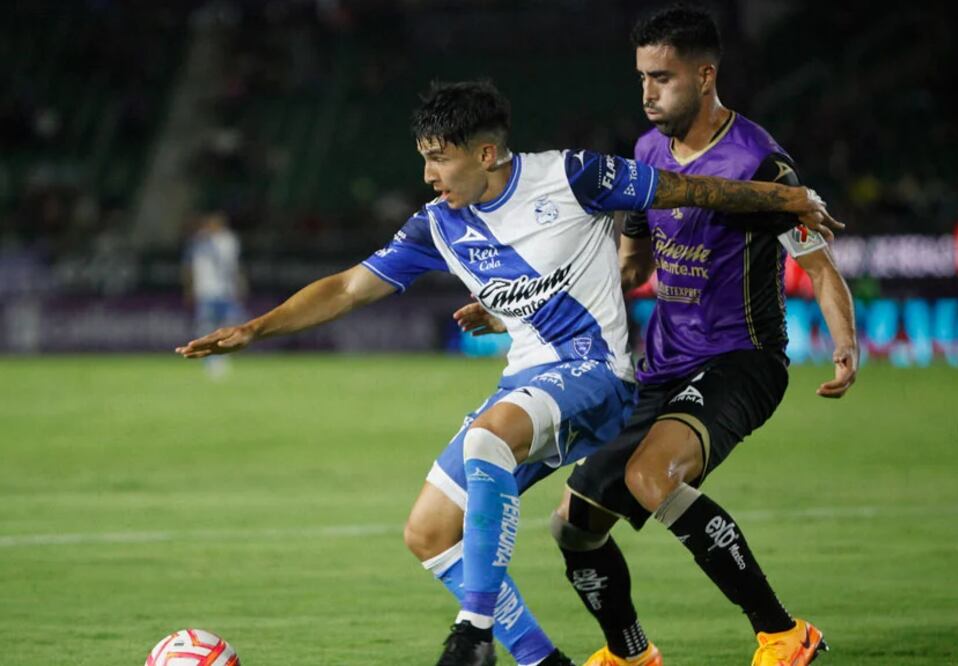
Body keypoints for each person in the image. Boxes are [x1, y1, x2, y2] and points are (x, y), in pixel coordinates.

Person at [177, 80, 841, 666]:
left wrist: (787, 198)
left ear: (485, 153)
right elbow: (349, 288)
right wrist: (254, 328)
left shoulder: (574, 177)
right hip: (526, 380)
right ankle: (540, 662)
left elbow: (689, 189)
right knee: (429, 532)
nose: (430, 174)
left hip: (597, 373)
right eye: (425, 159)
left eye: (440, 158)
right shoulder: (437, 225)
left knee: (488, 437)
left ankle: (475, 628)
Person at [456, 6, 859, 664]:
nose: (646, 91)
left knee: (652, 475)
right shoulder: (646, 157)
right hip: (661, 368)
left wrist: (844, 345)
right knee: (573, 526)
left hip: (741, 362)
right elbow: (630, 267)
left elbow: (818, 264)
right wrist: (515, 306)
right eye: (641, 76)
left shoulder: (760, 160)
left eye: (661, 78)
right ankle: (630, 654)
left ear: (705, 76)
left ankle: (785, 634)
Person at [182, 210, 246, 379]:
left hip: (226, 291)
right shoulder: (198, 241)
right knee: (207, 327)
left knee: (233, 325)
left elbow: (234, 265)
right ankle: (210, 361)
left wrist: (240, 283)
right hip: (207, 291)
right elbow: (189, 266)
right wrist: (189, 287)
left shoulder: (229, 240)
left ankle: (223, 356)